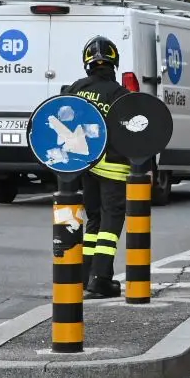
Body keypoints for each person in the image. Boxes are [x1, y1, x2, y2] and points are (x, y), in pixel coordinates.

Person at [63, 36, 132, 298]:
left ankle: (85, 275)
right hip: (113, 167)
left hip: (84, 166)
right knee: (111, 223)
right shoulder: (119, 94)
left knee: (93, 219)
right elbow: (132, 132)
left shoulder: (75, 89)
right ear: (114, 63)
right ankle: (101, 279)